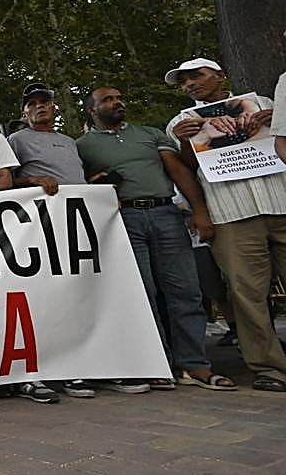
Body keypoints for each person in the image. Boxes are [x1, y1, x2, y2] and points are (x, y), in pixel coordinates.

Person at [76, 86, 235, 393]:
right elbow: (76, 184)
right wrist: (92, 184)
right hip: (122, 221)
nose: (117, 102)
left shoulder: (150, 134)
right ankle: (157, 361)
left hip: (166, 214)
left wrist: (199, 211)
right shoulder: (82, 146)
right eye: (108, 100)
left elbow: (179, 172)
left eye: (119, 97)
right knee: (142, 294)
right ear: (92, 110)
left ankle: (195, 363)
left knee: (186, 291)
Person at [164, 59, 286, 392]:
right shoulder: (181, 122)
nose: (190, 84)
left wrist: (275, 122)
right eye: (184, 81)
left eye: (197, 76)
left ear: (220, 76)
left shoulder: (265, 103)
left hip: (281, 201)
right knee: (247, 294)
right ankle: (271, 369)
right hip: (231, 214)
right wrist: (186, 141)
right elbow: (190, 168)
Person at [6, 82, 90, 401]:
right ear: (25, 112)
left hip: (81, 221)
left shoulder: (70, 141)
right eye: (33, 104)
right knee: (45, 294)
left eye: (46, 102)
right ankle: (45, 369)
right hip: (41, 223)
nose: (41, 107)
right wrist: (34, 180)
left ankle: (77, 368)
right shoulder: (16, 140)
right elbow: (6, 180)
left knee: (77, 292)